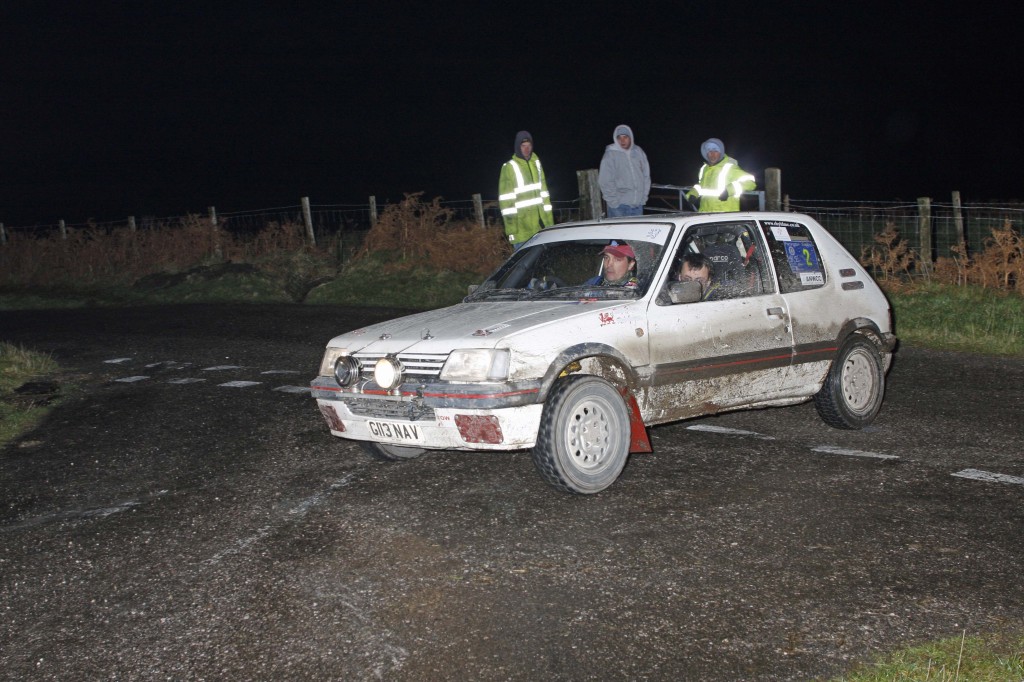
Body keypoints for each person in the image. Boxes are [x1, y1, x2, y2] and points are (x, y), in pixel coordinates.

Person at [499, 130, 553, 250]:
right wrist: (512, 230)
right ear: (518, 147)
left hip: (540, 228)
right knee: (522, 267)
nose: (527, 149)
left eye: (529, 146)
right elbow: (506, 203)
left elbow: (545, 196)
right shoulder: (509, 167)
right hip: (521, 231)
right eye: (523, 146)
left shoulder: (537, 164)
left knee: (541, 265)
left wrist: (550, 224)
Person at [685, 138, 756, 213]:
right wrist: (693, 193)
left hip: (725, 215)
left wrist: (729, 190)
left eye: (716, 151)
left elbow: (750, 183)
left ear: (721, 152)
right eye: (709, 151)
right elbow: (701, 185)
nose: (712, 154)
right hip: (705, 213)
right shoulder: (704, 169)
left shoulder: (730, 167)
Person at [598, 124, 651, 217]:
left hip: (638, 206)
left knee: (636, 232)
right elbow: (605, 180)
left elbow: (646, 176)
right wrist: (613, 202)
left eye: (625, 137)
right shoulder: (610, 155)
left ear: (630, 137)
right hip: (619, 208)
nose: (622, 140)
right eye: (619, 138)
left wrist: (643, 198)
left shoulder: (638, 152)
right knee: (617, 232)